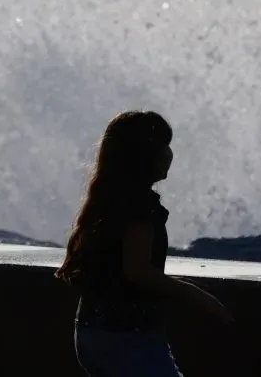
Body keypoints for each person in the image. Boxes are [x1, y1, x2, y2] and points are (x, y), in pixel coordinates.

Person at [56, 110, 232, 377]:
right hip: (127, 337)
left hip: (91, 332)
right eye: (163, 145)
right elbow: (136, 270)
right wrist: (200, 298)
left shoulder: (108, 199)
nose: (170, 154)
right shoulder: (140, 206)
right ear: (144, 156)